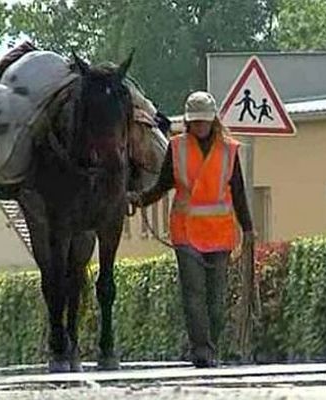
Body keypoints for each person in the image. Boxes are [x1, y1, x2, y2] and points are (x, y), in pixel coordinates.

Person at [127, 90, 254, 368]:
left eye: (203, 122)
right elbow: (163, 185)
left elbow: (239, 192)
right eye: (194, 122)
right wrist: (140, 199)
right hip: (186, 233)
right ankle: (202, 351)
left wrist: (248, 229)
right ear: (188, 121)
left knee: (216, 300)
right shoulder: (177, 147)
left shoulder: (228, 149)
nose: (199, 127)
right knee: (193, 295)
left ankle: (211, 346)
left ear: (213, 121)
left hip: (219, 234)